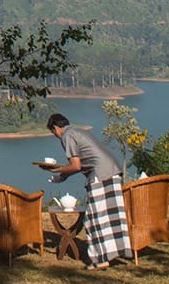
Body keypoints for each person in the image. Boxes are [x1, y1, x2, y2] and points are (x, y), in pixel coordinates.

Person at [45, 112, 134, 269]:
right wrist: (63, 175)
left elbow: (76, 166)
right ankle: (111, 254)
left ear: (56, 128)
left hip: (100, 175)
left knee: (94, 218)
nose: (56, 136)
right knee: (112, 216)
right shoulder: (79, 131)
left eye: (53, 133)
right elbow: (83, 162)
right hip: (112, 171)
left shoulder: (67, 136)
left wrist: (56, 170)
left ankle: (99, 260)